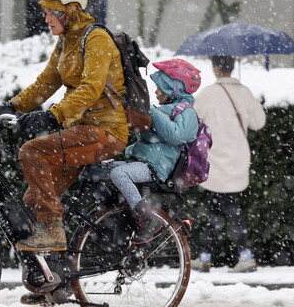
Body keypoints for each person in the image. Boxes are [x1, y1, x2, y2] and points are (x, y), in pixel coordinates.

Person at [0, 0, 128, 253]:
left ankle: (53, 231)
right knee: (32, 205)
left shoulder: (96, 39)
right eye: (44, 11)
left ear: (70, 9)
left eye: (51, 11)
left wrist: (53, 115)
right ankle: (55, 282)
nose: (45, 18)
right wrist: (10, 106)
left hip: (106, 132)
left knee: (32, 152)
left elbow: (90, 88)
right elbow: (46, 82)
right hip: (80, 132)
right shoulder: (66, 42)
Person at [110, 59, 200, 244]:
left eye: (161, 88)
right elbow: (149, 141)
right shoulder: (164, 110)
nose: (157, 92)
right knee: (100, 171)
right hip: (145, 164)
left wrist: (151, 111)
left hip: (156, 169)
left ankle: (145, 218)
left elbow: (175, 135)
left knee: (118, 173)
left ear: (174, 89)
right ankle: (118, 225)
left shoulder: (188, 112)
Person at [191, 55, 266, 273]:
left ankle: (242, 256)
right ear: (232, 67)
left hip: (215, 159)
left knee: (224, 207)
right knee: (221, 205)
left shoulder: (208, 94)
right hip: (238, 158)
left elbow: (193, 120)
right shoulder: (244, 92)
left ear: (215, 68)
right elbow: (259, 122)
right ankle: (208, 256)